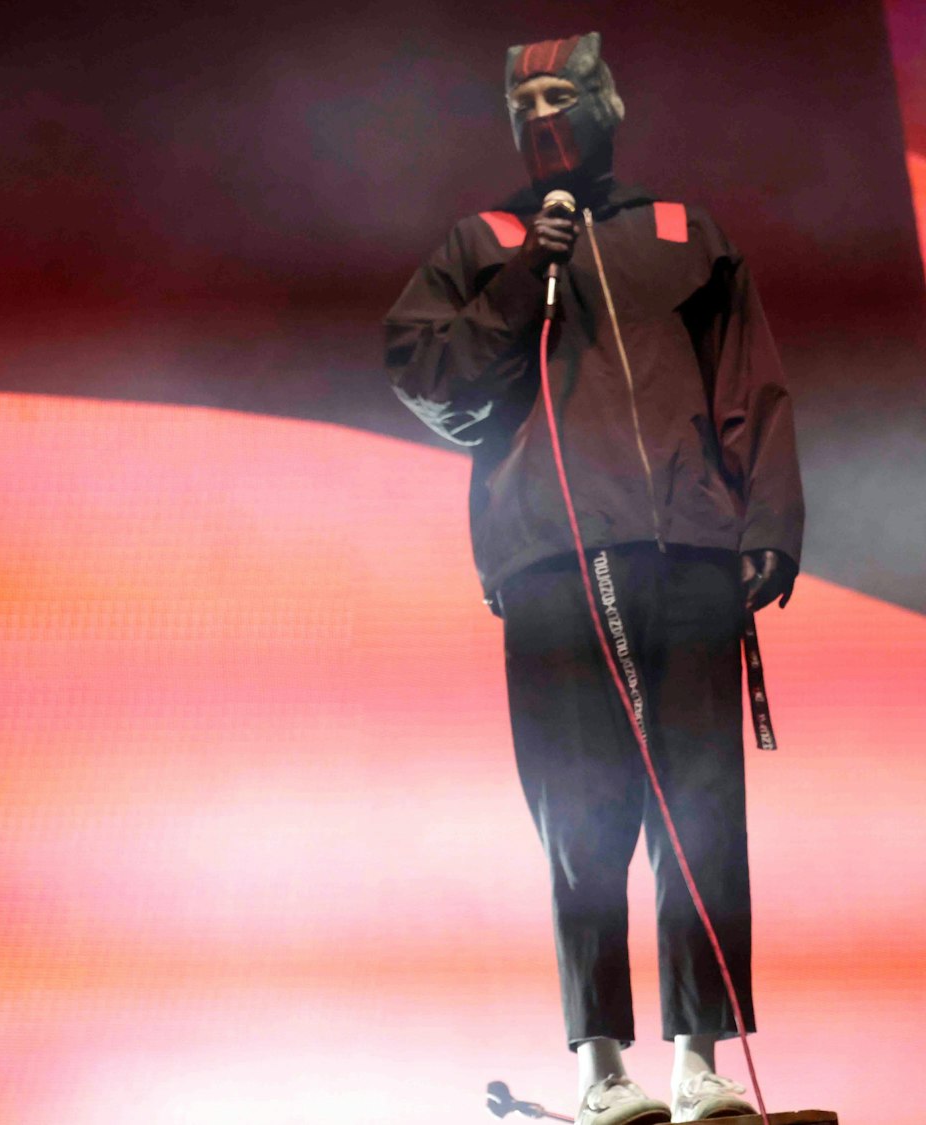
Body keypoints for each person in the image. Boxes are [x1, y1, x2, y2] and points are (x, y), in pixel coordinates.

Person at [383, 33, 802, 1125]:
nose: (541, 106)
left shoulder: (683, 232)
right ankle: (599, 1066)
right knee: (580, 815)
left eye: (561, 88)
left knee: (700, 812)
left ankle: (701, 1060)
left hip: (688, 554)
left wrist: (766, 519)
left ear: (609, 102)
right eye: (520, 94)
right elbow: (432, 382)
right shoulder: (482, 242)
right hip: (551, 566)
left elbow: (748, 379)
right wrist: (530, 274)